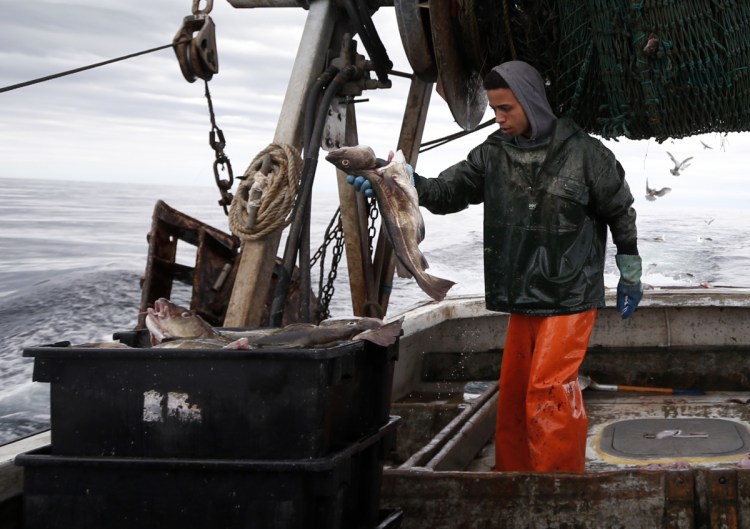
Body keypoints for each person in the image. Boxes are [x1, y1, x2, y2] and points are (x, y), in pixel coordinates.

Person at [348, 60, 642, 472]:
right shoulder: (492, 152)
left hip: (571, 295)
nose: (498, 118)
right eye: (494, 109)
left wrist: (630, 268)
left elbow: (620, 209)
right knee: (518, 392)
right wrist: (399, 183)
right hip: (522, 294)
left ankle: (558, 487)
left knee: (550, 391)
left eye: (506, 109)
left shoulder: (586, 154)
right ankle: (514, 479)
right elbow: (447, 192)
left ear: (532, 102)